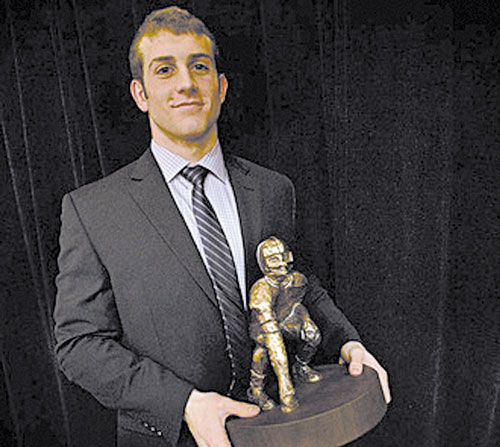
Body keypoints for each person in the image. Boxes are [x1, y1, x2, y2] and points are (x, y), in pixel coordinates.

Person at [54, 6, 391, 447]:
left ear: (221, 86)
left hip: (280, 429)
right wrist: (185, 404)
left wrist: (347, 342)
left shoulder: (272, 189)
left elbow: (299, 286)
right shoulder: (93, 210)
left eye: (199, 66)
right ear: (140, 93)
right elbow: (78, 343)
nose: (186, 83)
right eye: (164, 70)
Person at [247, 237, 323, 413]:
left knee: (312, 334)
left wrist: (305, 320)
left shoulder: (297, 280)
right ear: (264, 264)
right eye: (274, 259)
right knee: (263, 350)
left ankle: (300, 367)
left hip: (286, 319)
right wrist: (285, 386)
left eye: (284, 256)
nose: (282, 263)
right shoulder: (261, 291)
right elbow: (272, 335)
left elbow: (295, 305)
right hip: (263, 327)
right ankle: (255, 390)